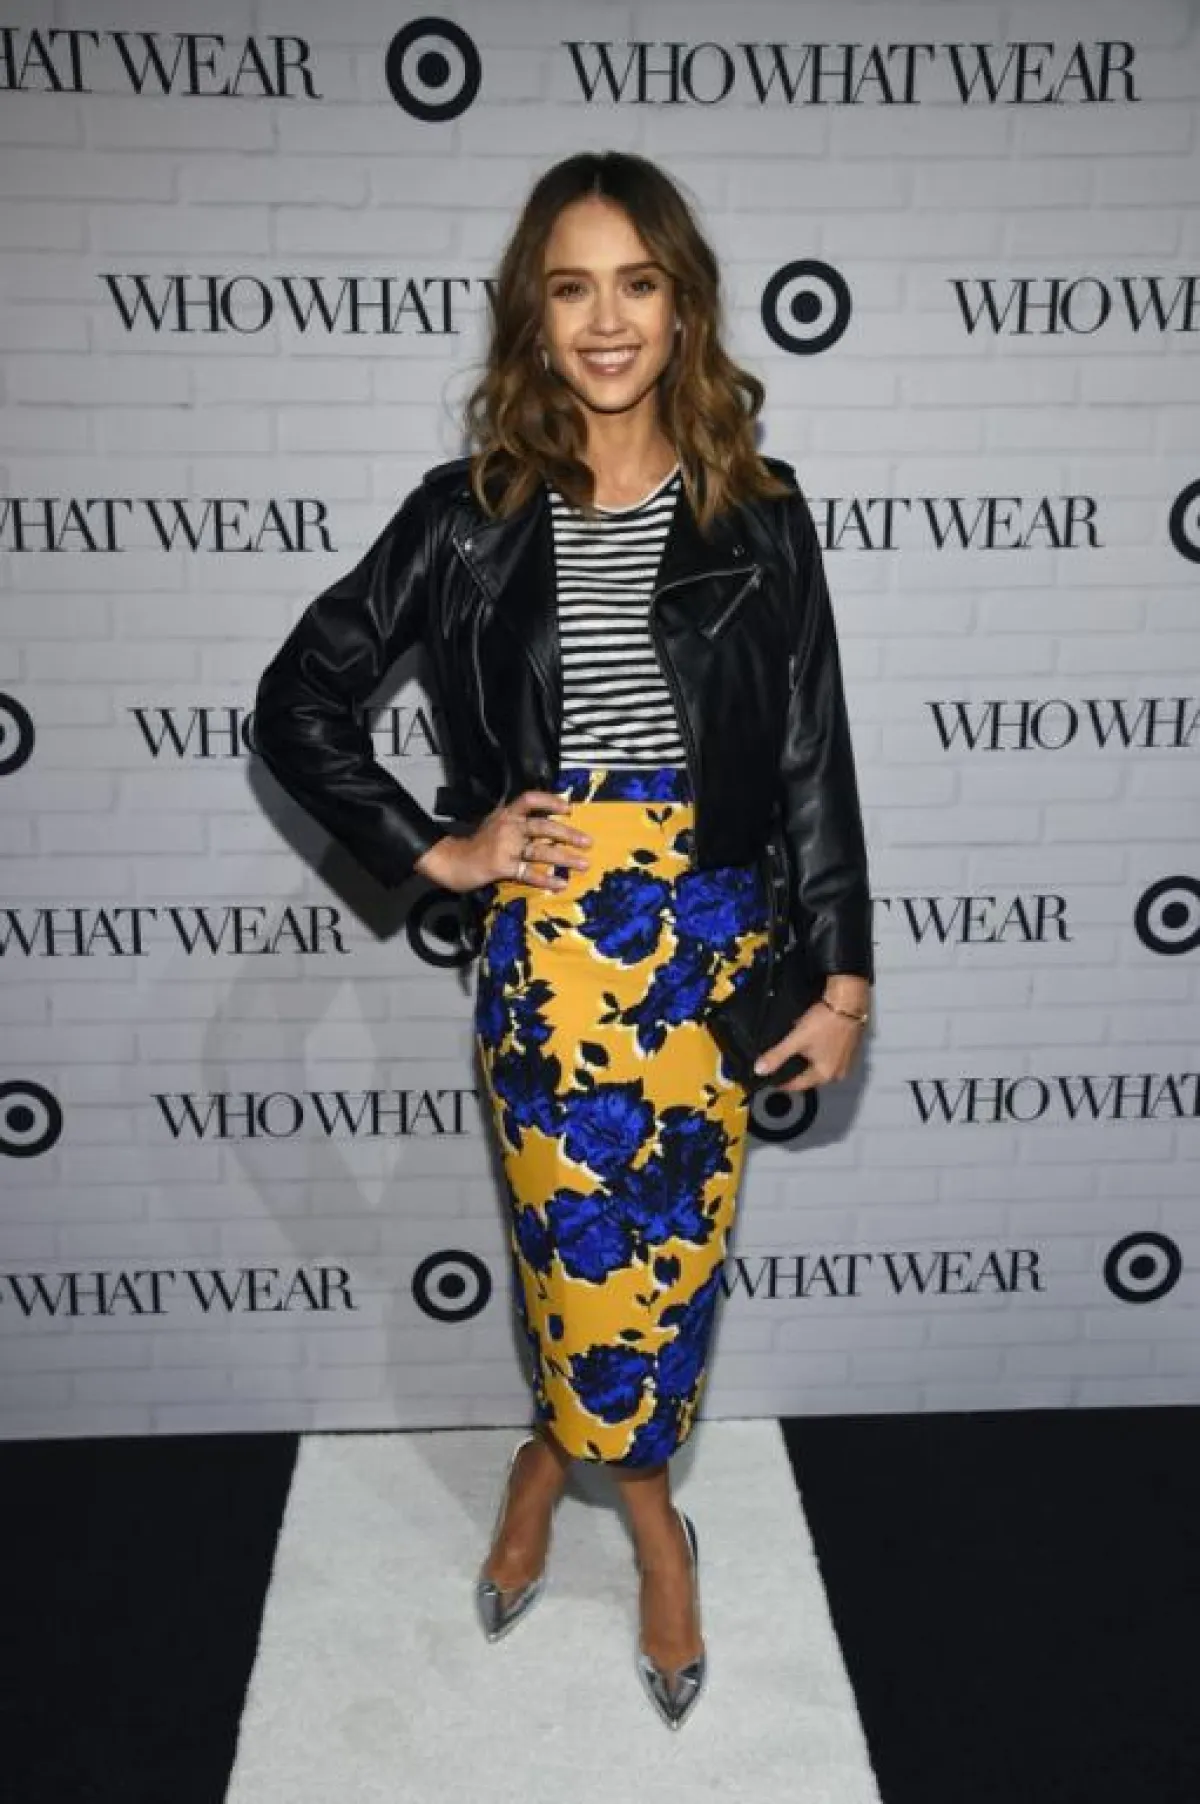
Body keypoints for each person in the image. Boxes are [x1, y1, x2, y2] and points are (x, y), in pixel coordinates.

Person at [253, 149, 874, 1730]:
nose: (607, 321)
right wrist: (444, 850)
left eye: (637, 284)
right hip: (555, 966)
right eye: (572, 286)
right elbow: (299, 703)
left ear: (683, 308)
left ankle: (562, 1466)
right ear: (535, 315)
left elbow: (813, 753)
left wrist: (845, 975)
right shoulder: (465, 519)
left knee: (671, 1272)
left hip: (714, 960)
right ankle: (646, 1522)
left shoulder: (761, 516)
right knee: (578, 1265)